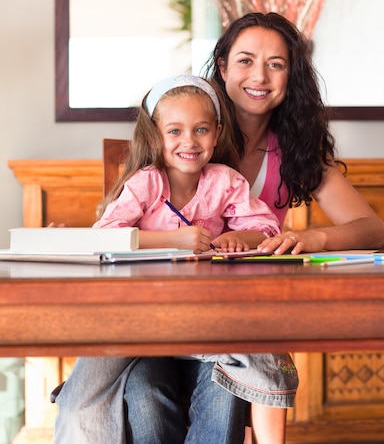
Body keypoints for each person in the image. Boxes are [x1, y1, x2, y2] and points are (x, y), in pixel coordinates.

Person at [123, 11, 384, 444]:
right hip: (164, 309)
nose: (259, 76)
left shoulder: (295, 150)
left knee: (237, 373)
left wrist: (311, 236)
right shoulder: (187, 136)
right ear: (222, 67)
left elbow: (372, 228)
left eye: (276, 64)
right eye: (245, 60)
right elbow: (124, 214)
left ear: (290, 74)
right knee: (151, 390)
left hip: (241, 315)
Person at [52, 73, 298, 444]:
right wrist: (173, 239)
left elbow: (265, 229)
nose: (189, 141)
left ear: (216, 133)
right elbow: (105, 235)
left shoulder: (225, 182)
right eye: (175, 131)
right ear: (156, 134)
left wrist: (236, 236)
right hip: (143, 318)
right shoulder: (146, 183)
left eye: (200, 130)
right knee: (144, 392)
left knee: (247, 357)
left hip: (206, 318)